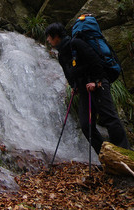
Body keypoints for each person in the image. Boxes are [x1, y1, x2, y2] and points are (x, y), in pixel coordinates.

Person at [45, 22, 130, 154]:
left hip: (98, 83)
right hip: (84, 89)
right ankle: (106, 155)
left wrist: (97, 82)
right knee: (86, 125)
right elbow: (69, 73)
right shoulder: (62, 54)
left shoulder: (77, 44)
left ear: (56, 36)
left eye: (49, 37)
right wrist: (74, 86)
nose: (47, 40)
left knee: (109, 118)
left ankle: (124, 152)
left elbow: (95, 62)